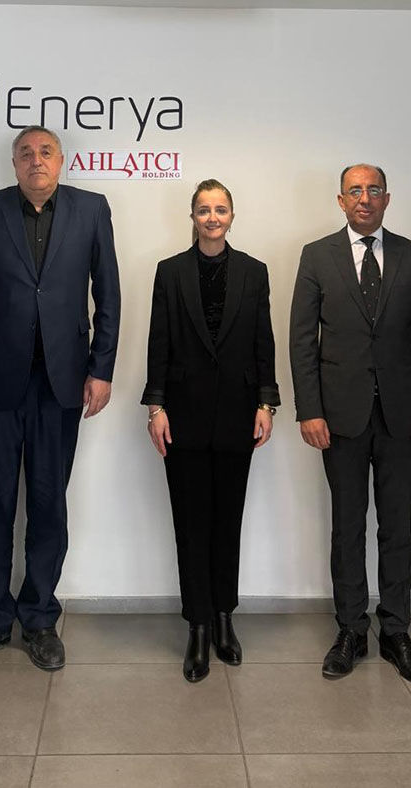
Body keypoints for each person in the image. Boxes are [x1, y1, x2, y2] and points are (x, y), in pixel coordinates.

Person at [0, 125, 121, 673]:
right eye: (25, 154)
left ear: (61, 161)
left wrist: (102, 369)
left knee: (48, 504)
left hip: (61, 385)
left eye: (45, 152)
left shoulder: (91, 210)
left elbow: (108, 293)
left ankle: (39, 618)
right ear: (13, 164)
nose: (36, 160)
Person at [289, 164, 411, 686]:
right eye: (355, 191)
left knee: (397, 527)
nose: (364, 198)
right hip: (340, 417)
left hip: (403, 416)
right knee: (347, 526)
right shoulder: (317, 256)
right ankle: (351, 630)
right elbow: (301, 340)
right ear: (340, 201)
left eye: (373, 190)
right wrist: (309, 409)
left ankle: (396, 631)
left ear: (387, 198)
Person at [142, 179, 279, 682]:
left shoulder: (255, 272)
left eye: (221, 209)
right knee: (191, 523)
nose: (212, 217)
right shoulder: (170, 271)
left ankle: (224, 618)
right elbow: (158, 342)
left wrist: (266, 402)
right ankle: (198, 625)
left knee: (228, 521)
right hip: (183, 414)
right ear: (193, 216)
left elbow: (264, 341)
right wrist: (155, 407)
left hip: (239, 413)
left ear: (232, 216)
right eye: (204, 209)